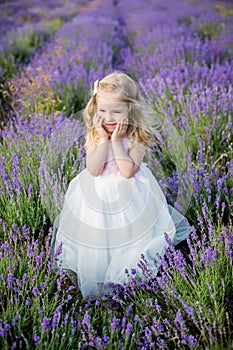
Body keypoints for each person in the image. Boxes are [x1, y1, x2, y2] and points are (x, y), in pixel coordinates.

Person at [51, 71, 191, 300]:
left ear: (131, 111)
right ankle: (97, 272)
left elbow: (127, 171)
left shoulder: (138, 136)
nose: (109, 118)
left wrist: (116, 141)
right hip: (97, 193)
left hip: (130, 193)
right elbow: (94, 170)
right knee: (96, 235)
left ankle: (125, 274)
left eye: (116, 112)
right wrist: (104, 140)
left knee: (130, 237)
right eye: (103, 111)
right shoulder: (96, 134)